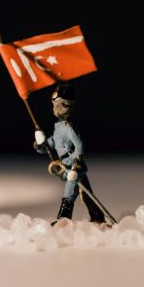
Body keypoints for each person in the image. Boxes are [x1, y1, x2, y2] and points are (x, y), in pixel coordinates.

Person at [33, 84, 106, 225]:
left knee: (69, 193)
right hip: (65, 165)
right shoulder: (58, 128)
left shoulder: (68, 128)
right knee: (85, 193)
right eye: (54, 104)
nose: (55, 108)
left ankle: (63, 220)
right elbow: (51, 145)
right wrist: (40, 144)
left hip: (73, 166)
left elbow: (79, 145)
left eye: (59, 105)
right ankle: (97, 217)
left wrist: (76, 164)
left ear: (67, 106)